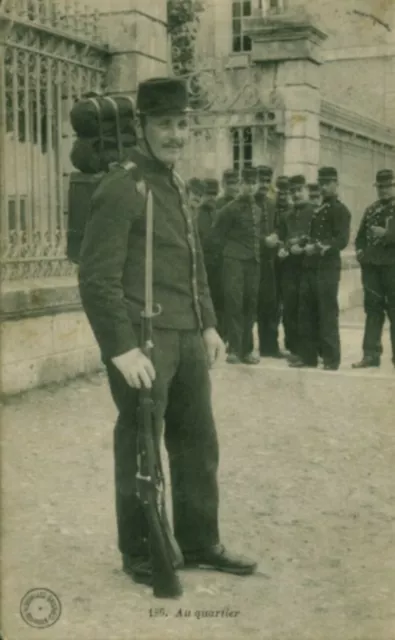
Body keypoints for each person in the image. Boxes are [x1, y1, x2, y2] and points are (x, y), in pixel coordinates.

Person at [78, 76, 257, 587]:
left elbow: (194, 262)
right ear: (142, 126)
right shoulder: (122, 185)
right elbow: (96, 279)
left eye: (182, 123)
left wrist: (209, 325)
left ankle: (201, 541)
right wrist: (122, 349)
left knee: (198, 442)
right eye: (164, 124)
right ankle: (139, 549)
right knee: (140, 443)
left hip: (186, 336)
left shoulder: (175, 182)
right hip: (145, 340)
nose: (176, 134)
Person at [290, 167, 351, 370]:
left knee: (326, 312)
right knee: (306, 311)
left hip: (326, 269)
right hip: (310, 267)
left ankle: (331, 359)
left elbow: (341, 240)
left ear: (336, 184)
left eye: (327, 183)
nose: (324, 187)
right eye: (321, 183)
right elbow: (313, 235)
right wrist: (302, 243)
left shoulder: (341, 211)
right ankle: (309, 357)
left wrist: (316, 247)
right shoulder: (318, 209)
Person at [213, 166, 261, 364]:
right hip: (233, 262)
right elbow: (216, 237)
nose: (249, 188)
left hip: (253, 263)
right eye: (245, 183)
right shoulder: (228, 210)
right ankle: (233, 348)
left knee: (250, 305)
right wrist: (228, 256)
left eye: (252, 183)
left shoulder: (258, 210)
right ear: (239, 185)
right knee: (234, 303)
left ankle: (247, 350)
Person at [352, 169, 395, 369]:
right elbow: (360, 236)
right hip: (371, 269)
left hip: (392, 268)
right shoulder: (371, 209)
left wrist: (387, 234)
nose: (384, 191)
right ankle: (370, 355)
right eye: (381, 187)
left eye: (387, 186)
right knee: (372, 310)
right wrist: (361, 253)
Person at [278, 175, 314, 361]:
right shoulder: (286, 216)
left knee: (306, 309)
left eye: (299, 190)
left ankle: (309, 349)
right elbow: (281, 238)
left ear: (306, 190)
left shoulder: (314, 212)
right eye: (293, 191)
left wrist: (300, 243)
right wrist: (283, 249)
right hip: (290, 269)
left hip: (308, 267)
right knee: (290, 308)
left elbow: (317, 236)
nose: (296, 194)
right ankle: (293, 348)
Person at [255, 167, 284, 357]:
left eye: (267, 181)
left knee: (271, 304)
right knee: (249, 305)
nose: (264, 185)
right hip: (251, 260)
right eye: (261, 181)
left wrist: (276, 236)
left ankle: (270, 347)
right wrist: (262, 240)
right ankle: (241, 347)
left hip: (269, 262)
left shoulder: (273, 205)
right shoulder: (247, 203)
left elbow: (281, 226)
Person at [197, 178, 224, 339]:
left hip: (218, 265)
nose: (211, 198)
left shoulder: (219, 213)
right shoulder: (195, 214)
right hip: (203, 264)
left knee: (219, 302)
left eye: (214, 194)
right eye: (208, 194)